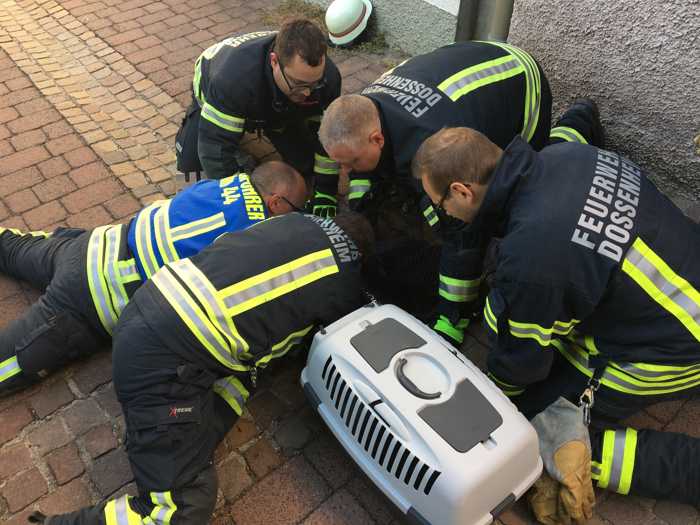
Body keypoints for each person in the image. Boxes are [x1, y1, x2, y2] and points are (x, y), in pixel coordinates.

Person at [413, 126, 700, 519]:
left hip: (672, 348)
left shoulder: (532, 256)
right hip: (682, 285)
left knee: (538, 421)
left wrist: (500, 413)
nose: (444, 213)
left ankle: (674, 470)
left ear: (462, 190)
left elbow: (520, 364)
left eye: (441, 202)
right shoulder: (566, 156)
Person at [29, 212, 373, 525]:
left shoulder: (292, 220)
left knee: (241, 378)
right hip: (163, 359)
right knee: (180, 510)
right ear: (360, 255)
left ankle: (167, 438)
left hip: (150, 302)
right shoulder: (346, 284)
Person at [317, 40, 603, 342]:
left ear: (377, 139)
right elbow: (362, 165)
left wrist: (452, 318)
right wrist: (354, 203)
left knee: (537, 175)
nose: (346, 174)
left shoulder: (427, 147)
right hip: (469, 69)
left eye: (352, 164)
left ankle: (578, 120)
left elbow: (463, 236)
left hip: (520, 82)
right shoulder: (360, 112)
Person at [0, 161, 307, 397]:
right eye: (296, 209)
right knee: (12, 362)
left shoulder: (224, 184)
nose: (295, 217)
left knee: (13, 247)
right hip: (93, 297)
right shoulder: (252, 234)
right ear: (276, 201)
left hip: (91, 244)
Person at [174, 18, 342, 209]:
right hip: (214, 87)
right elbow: (214, 150)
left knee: (306, 165)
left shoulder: (328, 78)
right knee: (193, 180)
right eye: (298, 84)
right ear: (274, 62)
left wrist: (326, 192)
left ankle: (275, 120)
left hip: (273, 102)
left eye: (314, 84)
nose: (307, 93)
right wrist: (242, 205)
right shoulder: (233, 81)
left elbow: (327, 138)